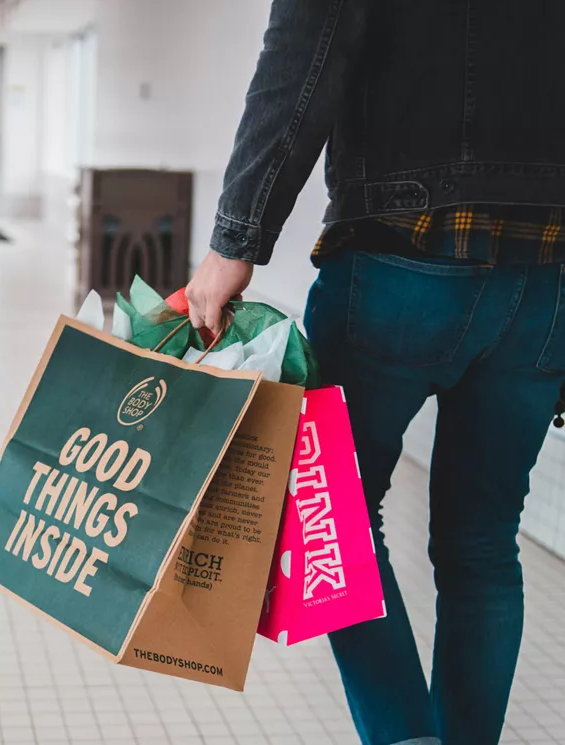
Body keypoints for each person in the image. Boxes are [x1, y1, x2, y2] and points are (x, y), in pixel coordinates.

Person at [185, 3, 565, 745]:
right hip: (546, 277)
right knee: (483, 541)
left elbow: (302, 52)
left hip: (398, 258)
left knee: (333, 518)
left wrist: (235, 240)